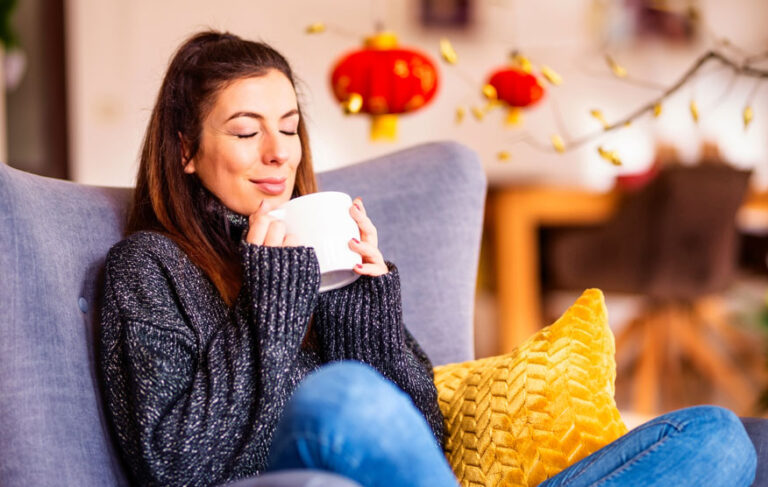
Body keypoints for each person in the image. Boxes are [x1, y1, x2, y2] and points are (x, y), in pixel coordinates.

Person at [99, 30, 757, 487]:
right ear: (186, 151)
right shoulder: (148, 266)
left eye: (291, 127)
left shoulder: (309, 256)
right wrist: (267, 308)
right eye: (246, 130)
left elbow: (423, 439)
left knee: (718, 435)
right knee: (340, 394)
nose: (279, 152)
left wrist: (363, 301)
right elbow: (176, 463)